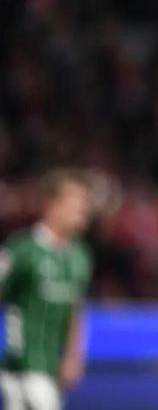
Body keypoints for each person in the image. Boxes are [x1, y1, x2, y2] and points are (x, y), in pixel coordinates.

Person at [0, 169, 93, 410]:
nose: (83, 210)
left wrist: (73, 356)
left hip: (52, 370)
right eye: (76, 203)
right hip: (22, 368)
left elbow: (75, 309)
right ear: (52, 205)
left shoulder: (80, 257)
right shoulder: (22, 251)